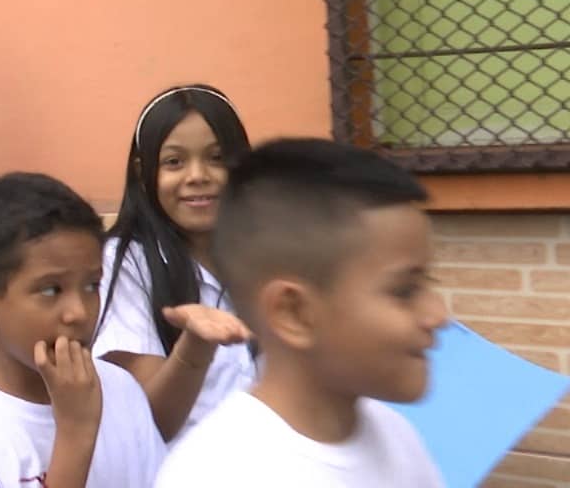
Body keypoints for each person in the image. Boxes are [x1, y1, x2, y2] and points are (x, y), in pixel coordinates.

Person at [155, 138, 447, 487]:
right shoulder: (214, 475)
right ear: (293, 314)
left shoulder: (397, 437)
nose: (437, 315)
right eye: (404, 291)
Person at [0, 172, 167, 487]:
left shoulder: (121, 389)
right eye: (51, 290)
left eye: (92, 285)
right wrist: (75, 432)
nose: (79, 312)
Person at [95, 84, 255, 440]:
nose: (197, 176)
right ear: (143, 173)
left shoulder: (265, 253)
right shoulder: (127, 264)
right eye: (174, 162)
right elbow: (151, 420)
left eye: (217, 157)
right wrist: (194, 347)